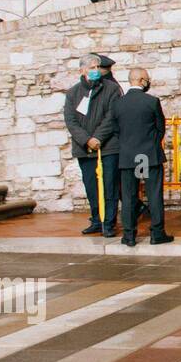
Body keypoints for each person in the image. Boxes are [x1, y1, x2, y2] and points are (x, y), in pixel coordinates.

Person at [112, 67, 172, 247]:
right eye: (147, 79)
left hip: (128, 156)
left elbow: (115, 130)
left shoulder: (118, 103)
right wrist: (150, 143)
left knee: (129, 196)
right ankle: (157, 233)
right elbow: (160, 127)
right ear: (142, 80)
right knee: (153, 194)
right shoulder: (151, 101)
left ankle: (129, 235)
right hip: (147, 155)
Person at [63, 54, 122, 238]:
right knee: (91, 186)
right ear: (82, 70)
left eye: (97, 67)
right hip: (84, 149)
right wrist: (86, 140)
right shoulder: (73, 93)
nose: (96, 71)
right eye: (92, 68)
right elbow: (71, 121)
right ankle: (96, 219)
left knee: (109, 186)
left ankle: (109, 222)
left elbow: (112, 116)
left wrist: (98, 137)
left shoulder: (112, 89)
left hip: (108, 146)